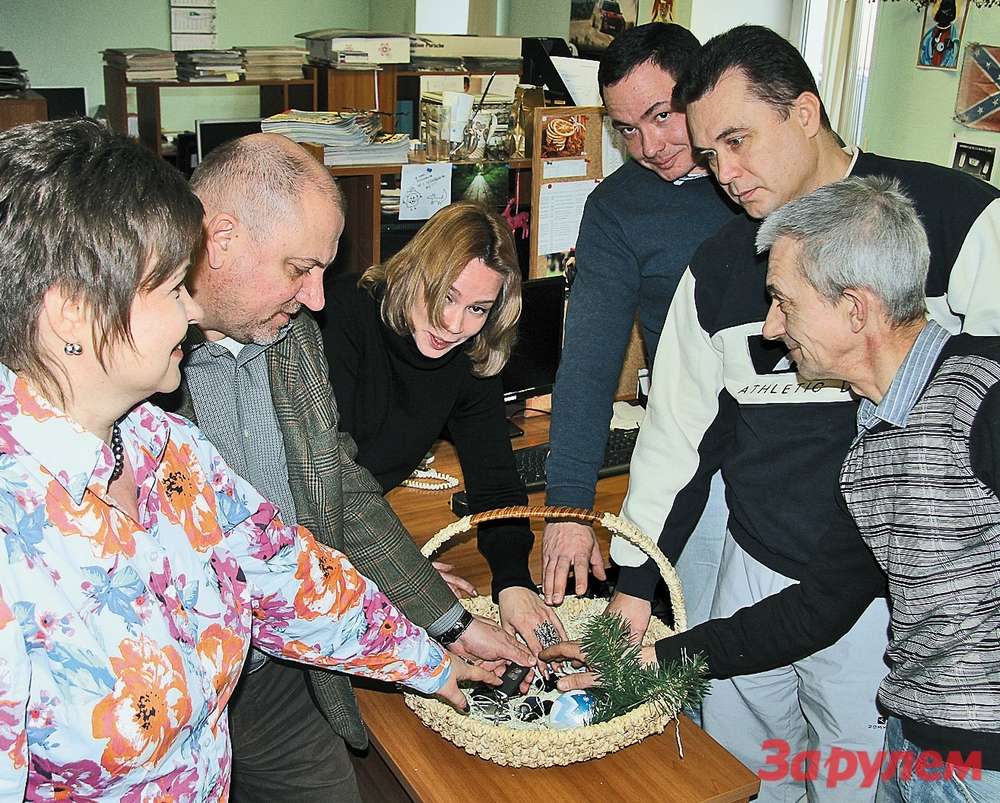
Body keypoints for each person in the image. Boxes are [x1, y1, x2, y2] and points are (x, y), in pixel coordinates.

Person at [0, 119, 499, 802]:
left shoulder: (161, 445)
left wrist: (435, 656)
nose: (188, 313)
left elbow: (285, 571)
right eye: (172, 288)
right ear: (72, 314)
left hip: (261, 692)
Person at [605, 25, 1000, 802]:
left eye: (738, 140)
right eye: (711, 154)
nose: (727, 172)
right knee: (750, 777)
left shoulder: (957, 218)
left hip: (893, 608)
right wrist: (633, 582)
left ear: (807, 112)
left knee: (847, 782)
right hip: (767, 574)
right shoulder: (721, 266)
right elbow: (674, 438)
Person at [178, 138, 533, 802]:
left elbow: (340, 495)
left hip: (278, 674)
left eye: (321, 270)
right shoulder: (137, 360)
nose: (316, 296)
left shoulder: (290, 337)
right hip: (178, 680)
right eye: (299, 267)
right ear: (222, 238)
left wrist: (448, 621)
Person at [540, 22, 738, 630]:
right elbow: (590, 362)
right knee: (697, 641)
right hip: (693, 457)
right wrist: (570, 506)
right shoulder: (618, 207)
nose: (649, 145)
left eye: (661, 115)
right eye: (627, 129)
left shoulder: (761, 176)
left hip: (800, 450)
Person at [321, 202, 566, 658]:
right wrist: (404, 573)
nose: (454, 326)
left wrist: (513, 581)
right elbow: (326, 486)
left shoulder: (470, 354)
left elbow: (495, 483)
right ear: (417, 272)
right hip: (308, 539)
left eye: (477, 308)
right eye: (447, 296)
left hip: (359, 535)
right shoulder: (344, 314)